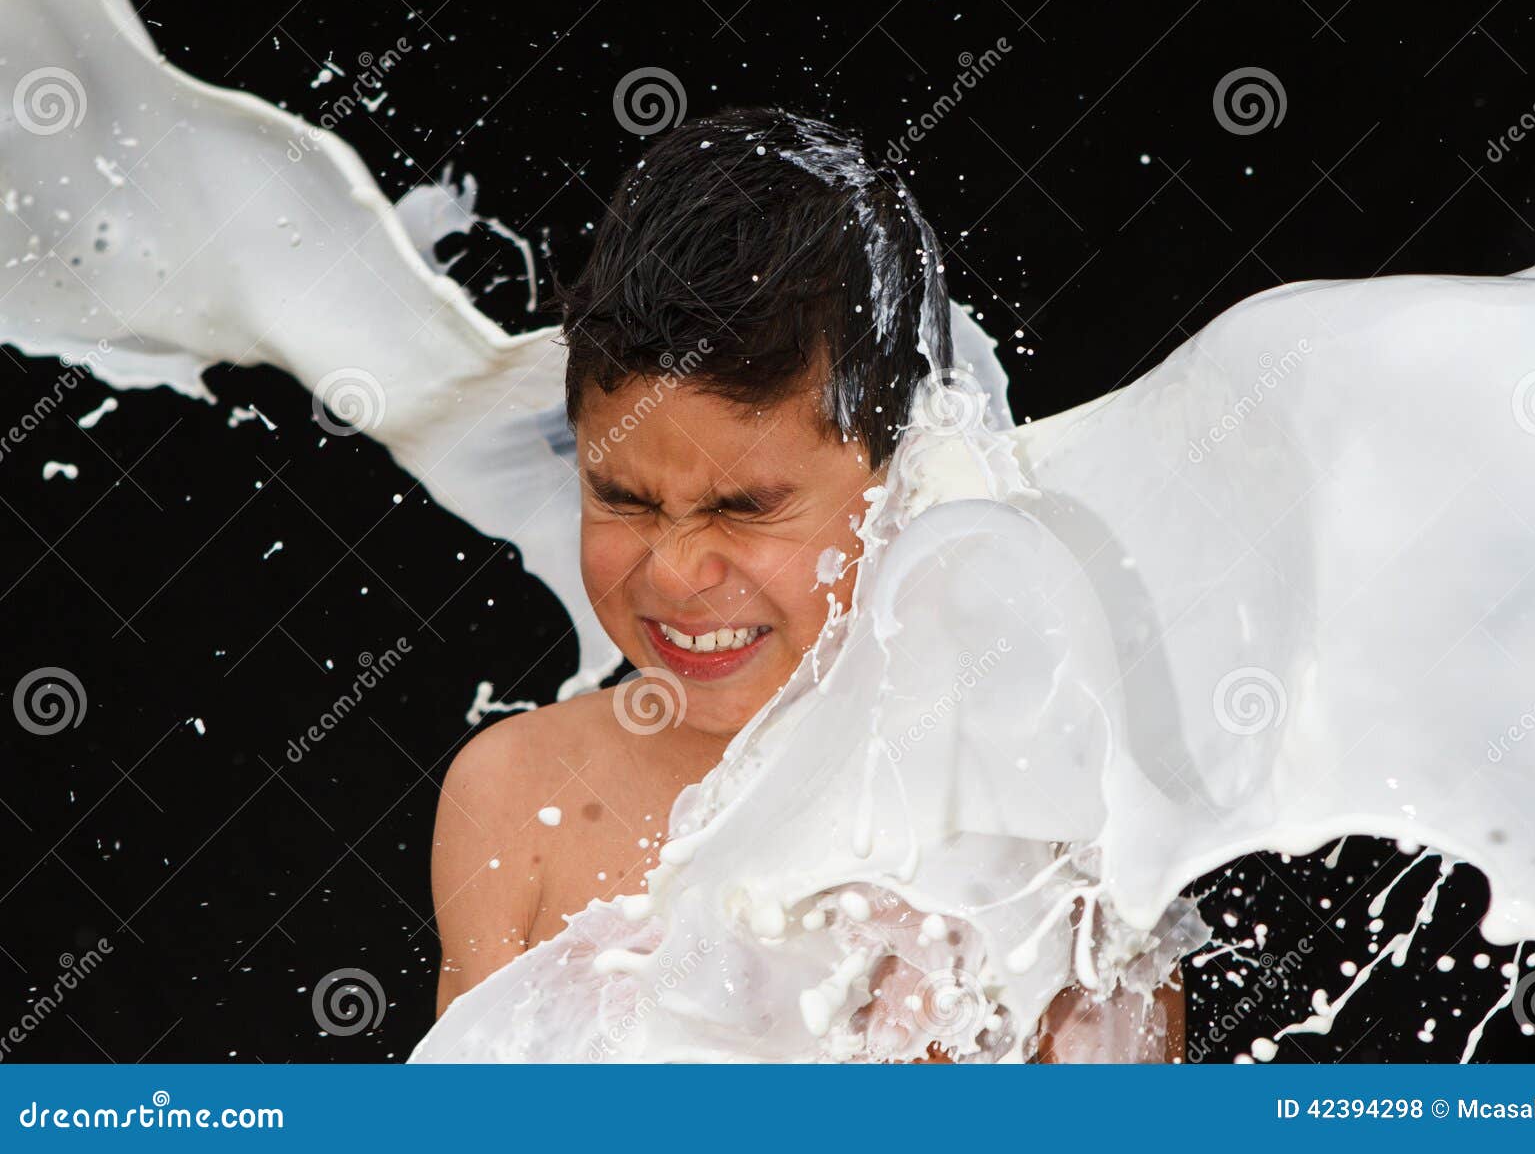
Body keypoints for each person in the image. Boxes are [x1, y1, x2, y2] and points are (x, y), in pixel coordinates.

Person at [428, 106, 1183, 1062]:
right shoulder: (513, 801)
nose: (676, 569)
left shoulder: (1034, 834)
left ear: (908, 472)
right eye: (622, 497)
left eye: (744, 507)